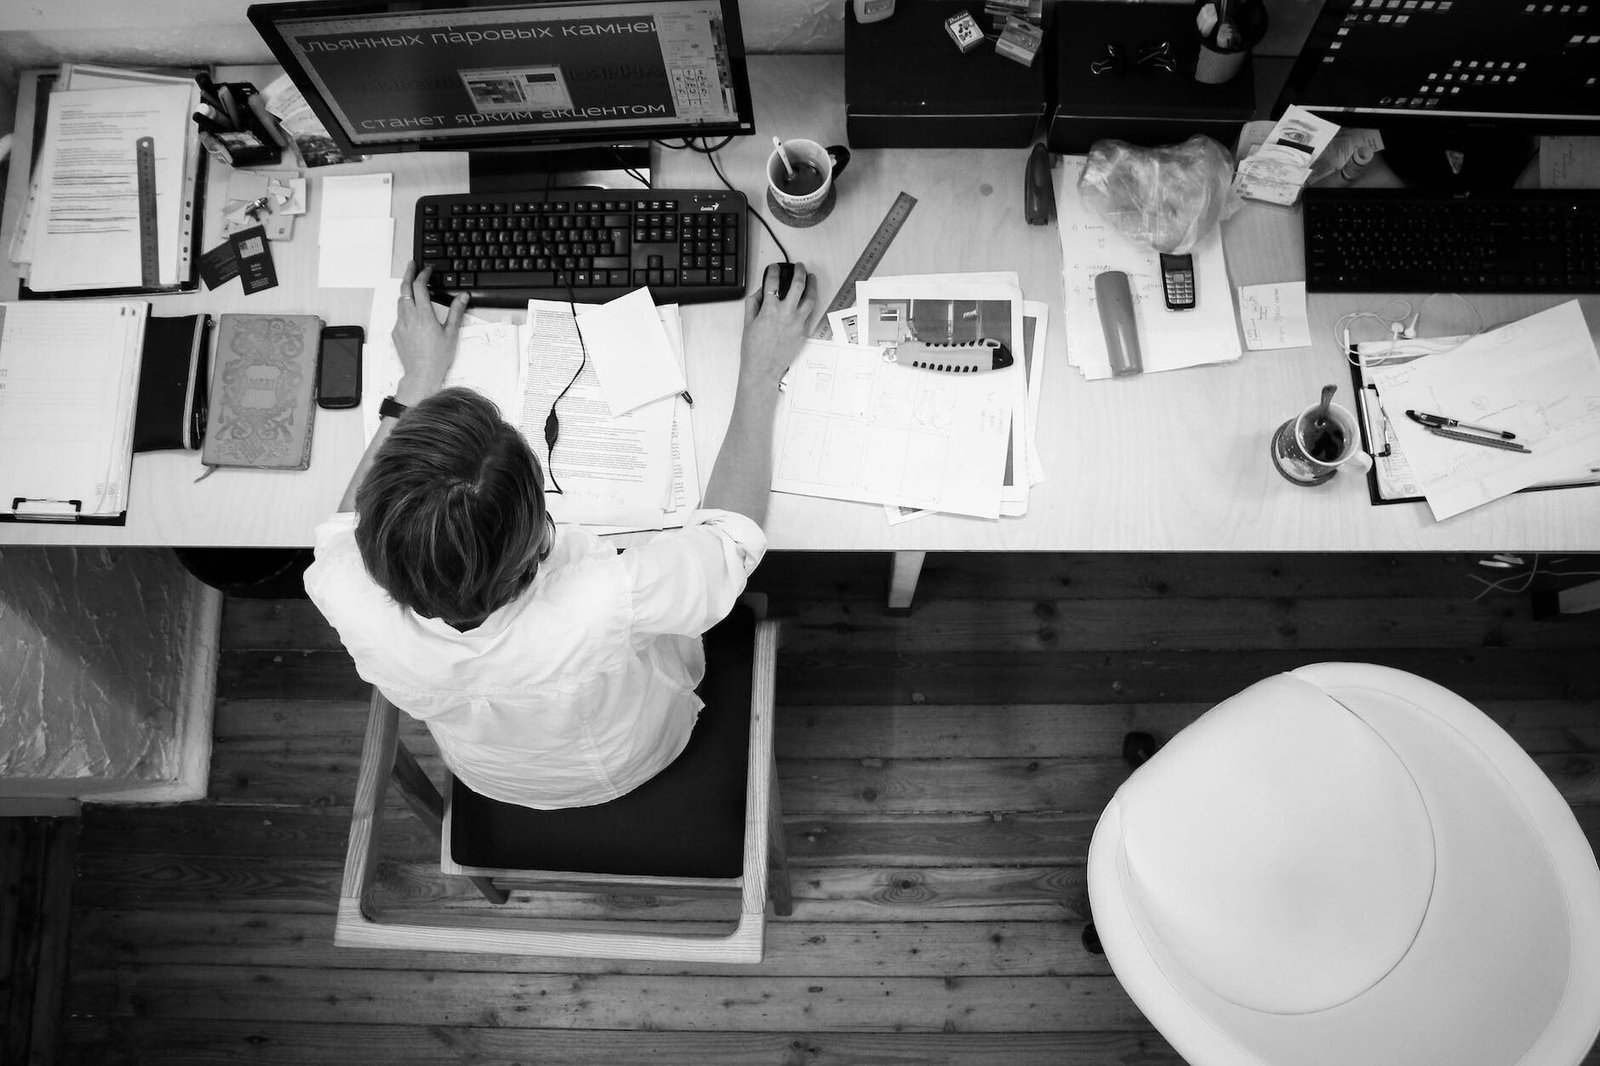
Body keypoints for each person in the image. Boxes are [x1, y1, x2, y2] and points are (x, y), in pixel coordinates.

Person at [303, 261, 817, 809]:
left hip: (488, 773)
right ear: (535, 531)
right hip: (632, 756)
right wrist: (761, 373)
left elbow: (342, 527)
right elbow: (730, 542)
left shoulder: (341, 589)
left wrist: (415, 381)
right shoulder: (602, 600)